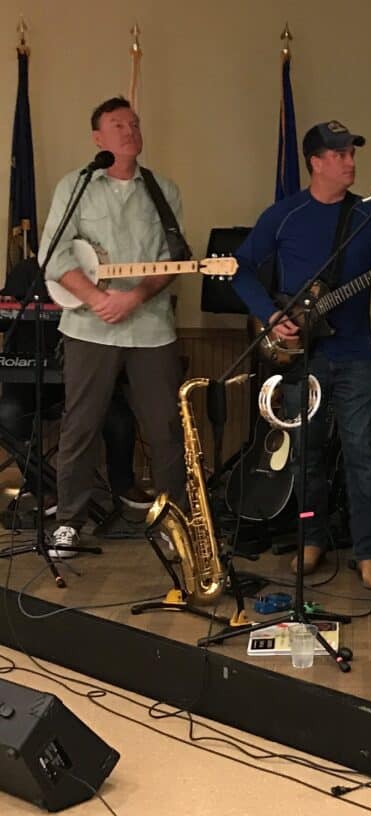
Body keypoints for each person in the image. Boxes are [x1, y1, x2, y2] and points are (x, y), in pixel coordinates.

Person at [231, 120, 371, 590]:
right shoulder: (283, 216)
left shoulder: (369, 217)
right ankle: (311, 538)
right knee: (304, 454)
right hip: (298, 354)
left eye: (352, 153)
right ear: (316, 162)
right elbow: (241, 270)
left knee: (362, 453)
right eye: (340, 154)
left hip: (354, 354)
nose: (350, 162)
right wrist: (270, 315)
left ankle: (368, 551)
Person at [39, 96, 186, 558]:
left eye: (135, 123)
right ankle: (68, 522)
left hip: (151, 329)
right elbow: (54, 255)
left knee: (164, 427)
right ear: (98, 138)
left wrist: (135, 296)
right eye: (118, 125)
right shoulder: (76, 186)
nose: (129, 131)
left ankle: (175, 521)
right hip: (87, 327)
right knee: (80, 425)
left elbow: (175, 259)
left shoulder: (164, 190)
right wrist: (98, 298)